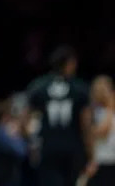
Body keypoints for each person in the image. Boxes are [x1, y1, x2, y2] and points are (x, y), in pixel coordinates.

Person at [27, 45, 92, 186]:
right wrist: (90, 151)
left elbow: (28, 118)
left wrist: (31, 144)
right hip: (73, 148)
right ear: (70, 63)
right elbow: (85, 122)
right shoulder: (80, 88)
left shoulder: (38, 86)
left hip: (47, 147)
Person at [85, 76, 115, 186]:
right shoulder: (92, 111)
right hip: (102, 160)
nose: (103, 94)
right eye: (99, 90)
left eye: (105, 90)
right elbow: (102, 131)